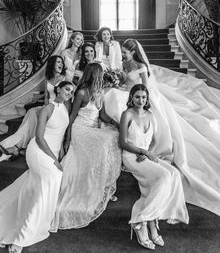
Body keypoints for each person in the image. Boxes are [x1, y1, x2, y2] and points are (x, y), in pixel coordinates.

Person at [104, 38, 220, 218]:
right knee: (112, 95)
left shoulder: (141, 67)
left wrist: (139, 99)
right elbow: (127, 84)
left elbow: (145, 87)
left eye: (126, 52)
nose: (124, 55)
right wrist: (117, 83)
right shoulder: (126, 65)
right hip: (131, 94)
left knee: (119, 101)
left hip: (141, 96)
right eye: (124, 52)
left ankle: (148, 143)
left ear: (133, 52)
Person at [0, 81, 74, 253]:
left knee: (36, 186)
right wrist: (54, 160)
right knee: (51, 179)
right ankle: (20, 239)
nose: (70, 93)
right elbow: (39, 137)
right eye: (67, 89)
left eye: (71, 91)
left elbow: (61, 135)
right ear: (58, 89)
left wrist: (61, 154)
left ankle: (2, 214)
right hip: (39, 151)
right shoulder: (48, 108)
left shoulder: (66, 109)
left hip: (53, 152)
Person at [50, 63, 121, 231]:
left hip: (93, 129)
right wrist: (67, 138)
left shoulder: (99, 93)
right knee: (104, 142)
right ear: (94, 75)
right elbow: (72, 115)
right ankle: (97, 186)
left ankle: (103, 185)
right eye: (100, 74)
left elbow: (101, 115)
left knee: (113, 137)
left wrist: (115, 123)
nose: (102, 77)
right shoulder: (82, 92)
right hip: (80, 130)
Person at [120, 84, 189, 249]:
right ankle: (142, 220)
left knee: (174, 174)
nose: (141, 100)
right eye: (137, 97)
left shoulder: (150, 115)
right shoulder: (127, 114)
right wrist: (144, 153)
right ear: (131, 97)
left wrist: (148, 153)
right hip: (131, 157)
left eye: (143, 97)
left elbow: (156, 140)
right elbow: (123, 142)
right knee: (164, 177)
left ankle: (150, 220)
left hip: (145, 155)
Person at [0, 55, 67, 162]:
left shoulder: (64, 78)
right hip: (48, 106)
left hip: (57, 107)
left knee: (34, 114)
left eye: (61, 62)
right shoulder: (47, 78)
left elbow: (66, 97)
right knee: (31, 111)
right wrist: (44, 107)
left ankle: (17, 147)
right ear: (52, 64)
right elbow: (47, 96)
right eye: (58, 62)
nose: (61, 64)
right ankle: (21, 146)